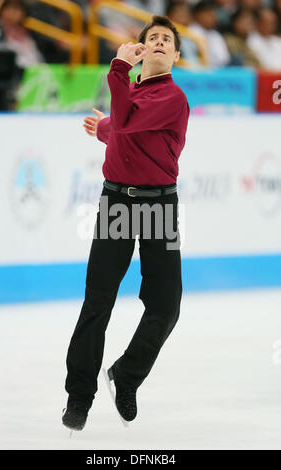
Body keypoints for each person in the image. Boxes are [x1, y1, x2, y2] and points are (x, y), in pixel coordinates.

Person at [62, 14, 190, 431]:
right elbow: (128, 127)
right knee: (98, 301)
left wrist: (118, 67)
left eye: (165, 39)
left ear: (175, 54)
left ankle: (127, 375)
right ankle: (79, 396)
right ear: (144, 47)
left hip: (158, 207)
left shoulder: (174, 97)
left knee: (165, 306)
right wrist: (105, 129)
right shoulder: (131, 96)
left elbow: (132, 121)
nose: (157, 42)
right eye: (150, 37)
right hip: (118, 202)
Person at [189, 0, 231, 66]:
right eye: (208, 14)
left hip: (220, 72)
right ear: (197, 15)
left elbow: (225, 59)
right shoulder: (190, 32)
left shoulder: (216, 35)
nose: (213, 17)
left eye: (214, 14)